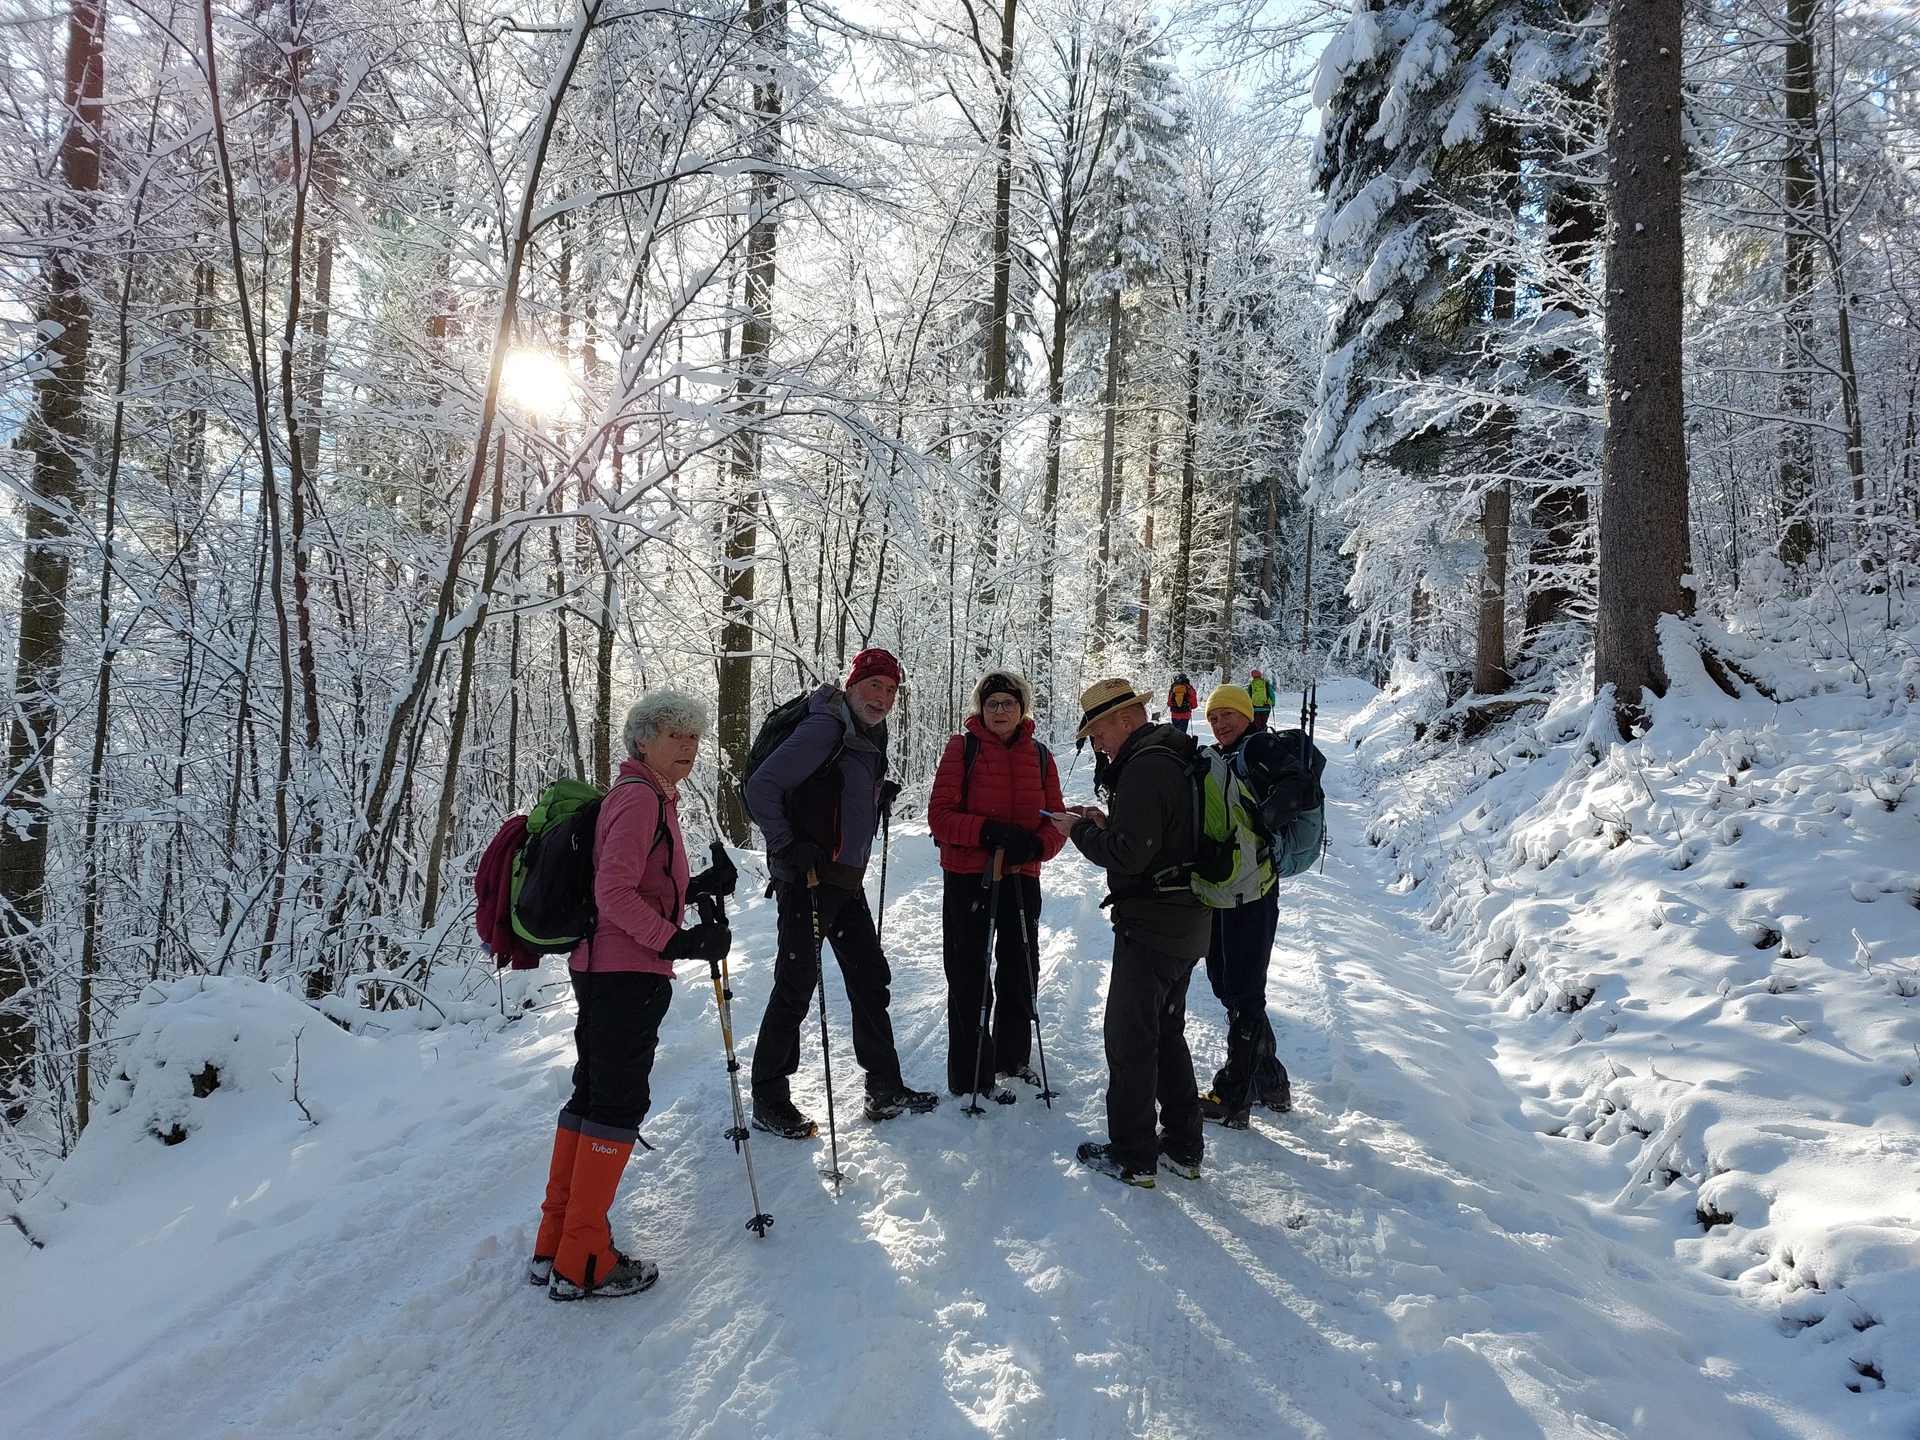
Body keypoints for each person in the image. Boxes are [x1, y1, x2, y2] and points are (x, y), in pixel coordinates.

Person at [531, 690, 733, 1301]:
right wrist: (679, 944)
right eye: (675, 735)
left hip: (607, 969)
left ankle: (557, 1241)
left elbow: (634, 885)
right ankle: (584, 1257)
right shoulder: (639, 798)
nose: (688, 748)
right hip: (624, 973)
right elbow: (614, 894)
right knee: (616, 1105)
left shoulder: (643, 797)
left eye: (694, 738)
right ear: (642, 741)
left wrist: (695, 888)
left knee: (593, 1096)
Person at [746, 647, 938, 1137]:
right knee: (795, 987)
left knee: (870, 976)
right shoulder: (825, 726)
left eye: (892, 690)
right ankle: (768, 1099)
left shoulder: (867, 729)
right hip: (808, 881)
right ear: (853, 684)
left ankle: (884, 1087)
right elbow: (761, 787)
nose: (883, 697)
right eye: (874, 685)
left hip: (843, 882)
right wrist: (788, 844)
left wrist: (876, 794)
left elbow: (834, 791)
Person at [1049, 678, 1209, 1188]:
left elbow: (1127, 855)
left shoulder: (1144, 767)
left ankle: (1134, 1155)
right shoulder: (1173, 755)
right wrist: (1105, 820)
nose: (1096, 745)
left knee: (1129, 1038)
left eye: (1097, 733)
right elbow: (1156, 835)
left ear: (1124, 719)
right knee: (1165, 1031)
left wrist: (1076, 830)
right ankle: (1184, 1147)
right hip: (1188, 921)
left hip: (1153, 928)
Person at [927, 670, 1067, 1103]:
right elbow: (940, 817)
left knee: (1021, 967)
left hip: (1021, 875)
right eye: (992, 704)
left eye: (1008, 703)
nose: (1000, 710)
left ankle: (1012, 1058)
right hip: (970, 876)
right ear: (980, 709)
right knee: (969, 972)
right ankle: (971, 1074)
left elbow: (1058, 821)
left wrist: (1037, 846)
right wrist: (988, 832)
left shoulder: (1040, 756)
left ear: (1022, 707)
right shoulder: (962, 749)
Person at [1194, 685, 1292, 1129]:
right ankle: (1271, 1081)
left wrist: (1263, 822)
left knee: (1244, 990)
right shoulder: (1224, 755)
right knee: (1226, 984)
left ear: (1247, 715)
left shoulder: (1260, 747)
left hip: (1254, 892)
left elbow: (1299, 788)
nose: (1220, 724)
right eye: (1214, 718)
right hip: (1226, 888)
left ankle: (1234, 1095)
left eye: (1228, 715)